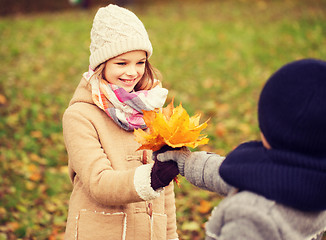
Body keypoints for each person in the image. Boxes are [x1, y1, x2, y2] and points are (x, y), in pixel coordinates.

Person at [156, 58, 326, 240]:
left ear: (270, 126)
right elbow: (228, 175)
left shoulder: (250, 216)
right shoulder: (311, 182)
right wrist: (186, 162)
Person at [62, 4, 179, 240]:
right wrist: (153, 177)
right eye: (122, 63)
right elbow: (99, 183)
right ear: (101, 65)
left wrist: (171, 235)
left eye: (140, 62)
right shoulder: (80, 116)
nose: (133, 72)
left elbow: (166, 193)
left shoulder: (150, 111)